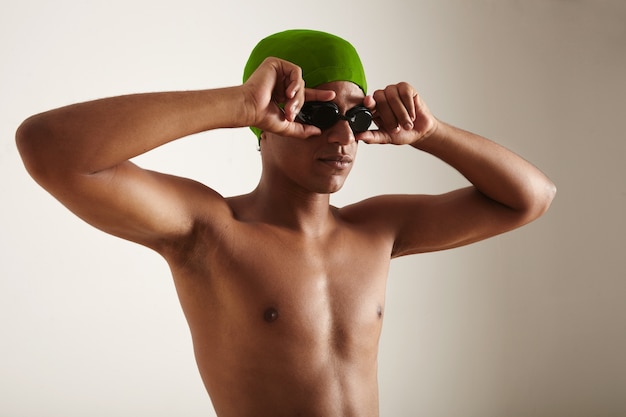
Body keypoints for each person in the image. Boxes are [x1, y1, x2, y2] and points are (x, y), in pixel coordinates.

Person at [16, 29, 556, 417]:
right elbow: (47, 149)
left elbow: (531, 197)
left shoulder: (377, 229)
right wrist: (234, 103)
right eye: (319, 115)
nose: (343, 139)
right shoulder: (209, 231)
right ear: (267, 122)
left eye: (357, 117)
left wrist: (432, 132)